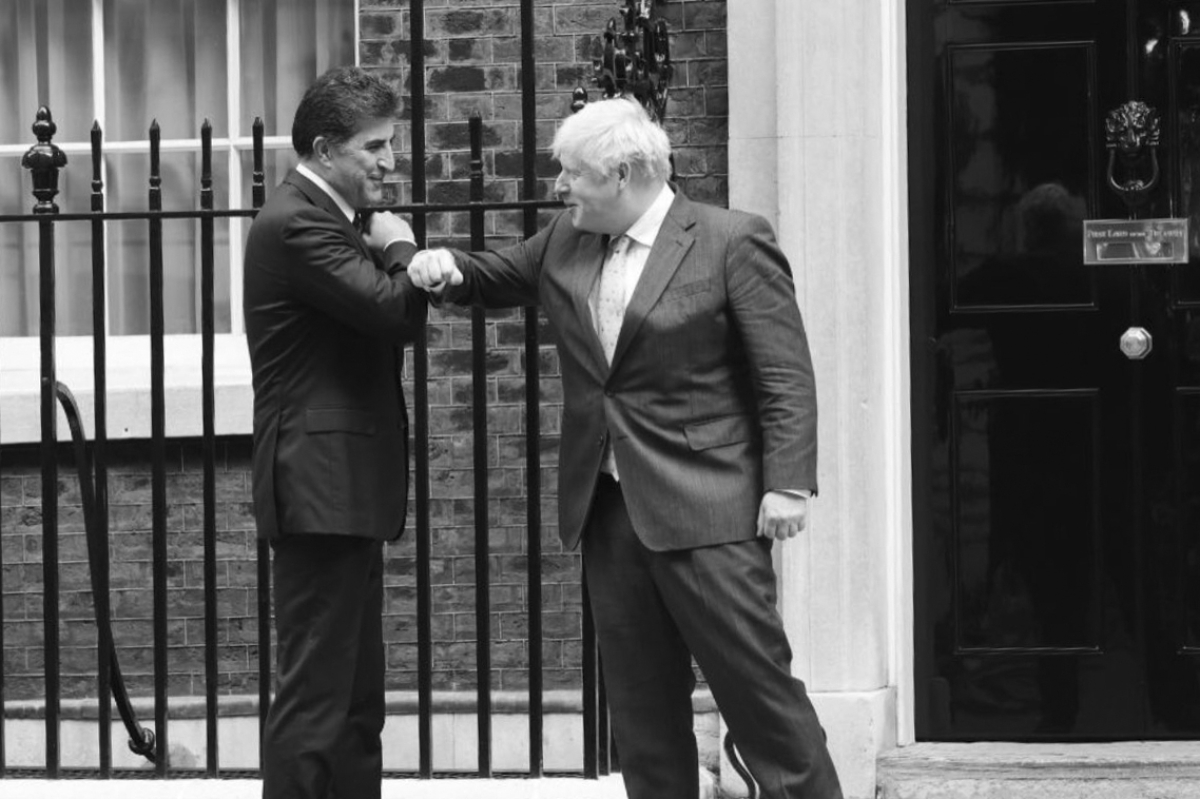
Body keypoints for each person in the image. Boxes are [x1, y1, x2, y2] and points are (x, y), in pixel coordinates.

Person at [408, 97, 843, 799]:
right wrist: (443, 266)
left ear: (623, 175)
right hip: (610, 512)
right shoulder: (565, 241)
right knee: (641, 714)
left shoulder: (730, 241)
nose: (560, 186)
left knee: (761, 699)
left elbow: (784, 372)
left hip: (711, 509)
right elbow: (493, 275)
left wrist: (788, 481)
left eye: (572, 173)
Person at [243, 65, 426, 799]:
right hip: (318, 489)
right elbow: (394, 311)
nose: (389, 162)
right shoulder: (296, 222)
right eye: (374, 147)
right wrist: (403, 247)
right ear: (324, 148)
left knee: (355, 701)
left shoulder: (323, 218)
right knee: (318, 699)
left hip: (343, 490)